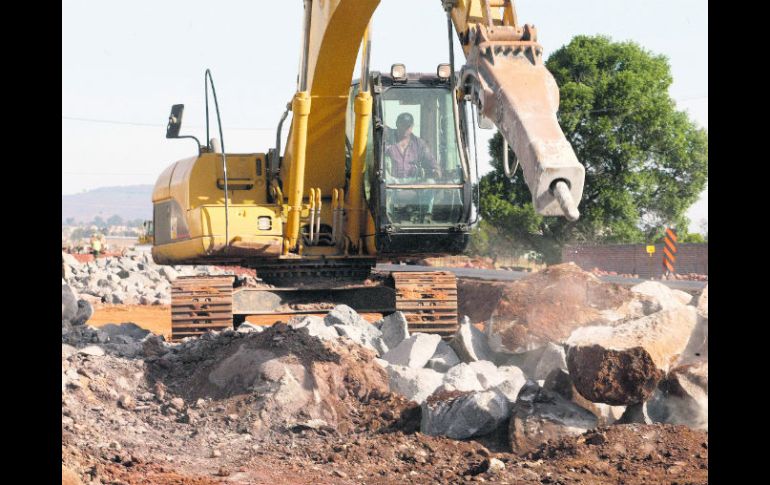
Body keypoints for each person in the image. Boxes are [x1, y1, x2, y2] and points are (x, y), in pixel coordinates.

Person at [383, 112, 441, 223]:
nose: (405, 128)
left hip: (414, 184)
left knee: (430, 182)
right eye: (403, 125)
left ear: (412, 126)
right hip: (392, 183)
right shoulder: (387, 140)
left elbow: (431, 161)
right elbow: (381, 128)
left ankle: (426, 215)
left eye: (408, 126)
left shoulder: (419, 144)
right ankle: (387, 216)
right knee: (384, 179)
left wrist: (436, 170)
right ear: (397, 124)